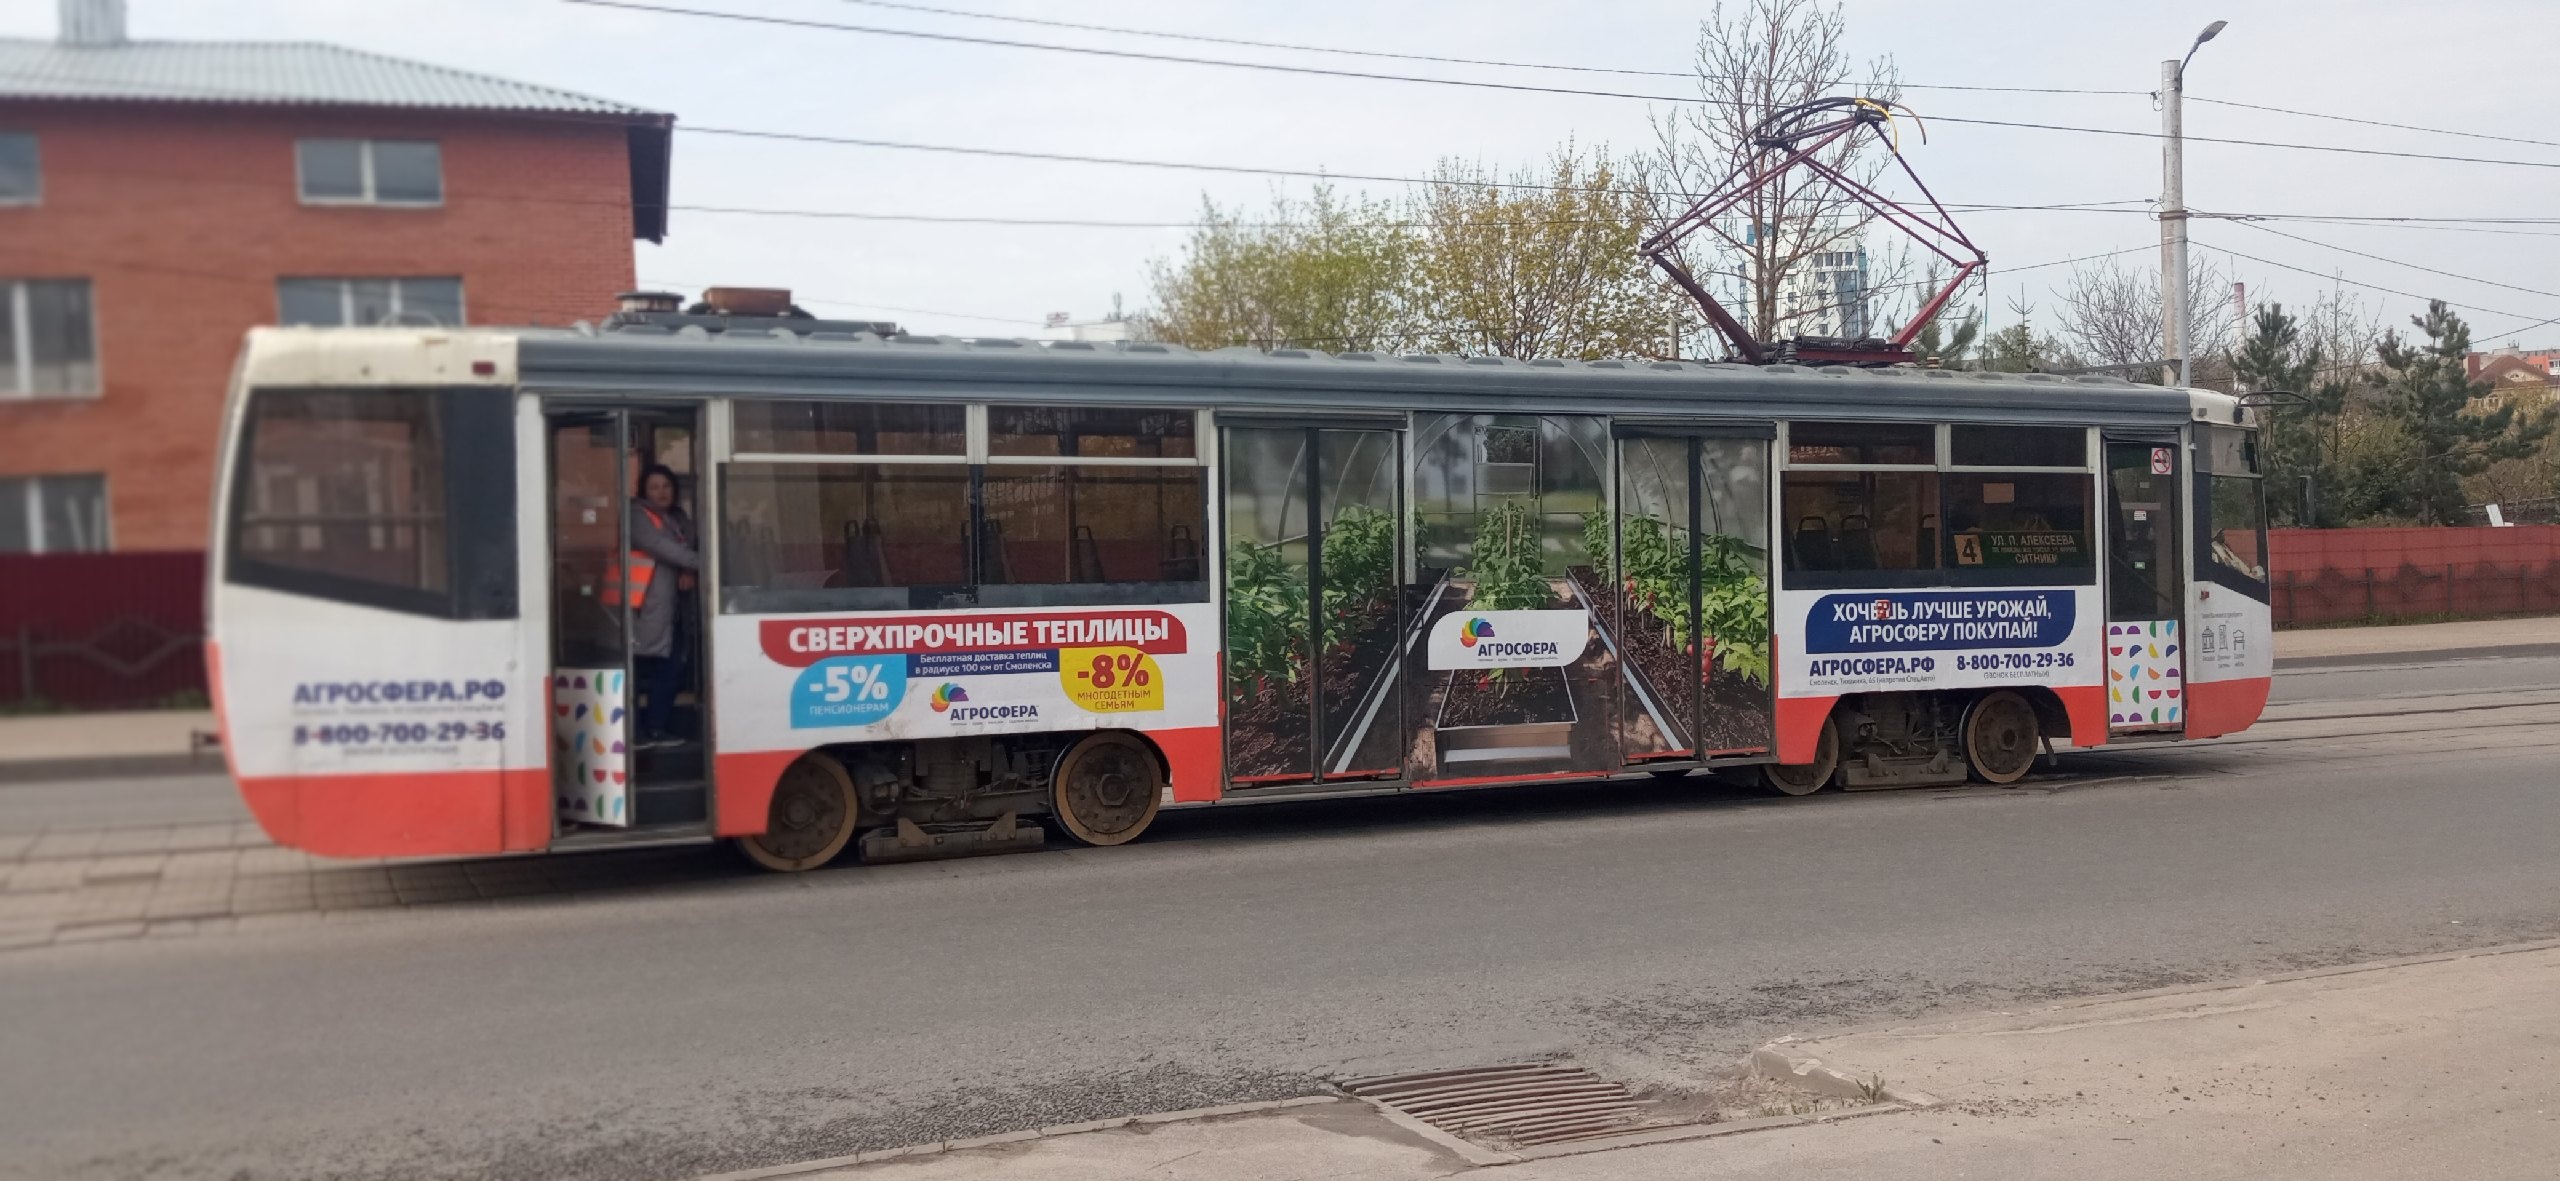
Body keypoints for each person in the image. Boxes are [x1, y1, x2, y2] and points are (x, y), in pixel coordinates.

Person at [627, 464, 701, 748]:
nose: (661, 492)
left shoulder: (679, 517)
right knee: (638, 670)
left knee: (671, 669)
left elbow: (688, 547)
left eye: (666, 486)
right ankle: (634, 732)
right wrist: (700, 564)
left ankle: (656, 728)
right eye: (654, 487)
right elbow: (661, 547)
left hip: (676, 609)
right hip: (643, 609)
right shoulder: (638, 515)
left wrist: (690, 569)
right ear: (644, 491)